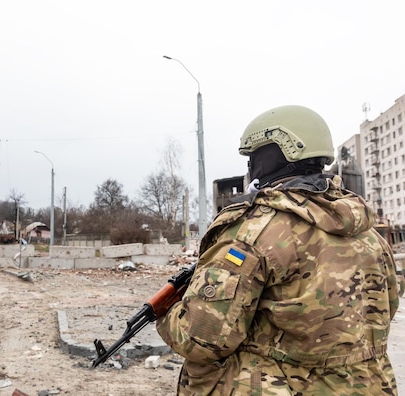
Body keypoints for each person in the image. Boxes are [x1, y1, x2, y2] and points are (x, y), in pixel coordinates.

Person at [156, 105, 400, 395]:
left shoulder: (253, 232)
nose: (250, 167)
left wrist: (168, 312)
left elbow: (201, 339)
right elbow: (386, 308)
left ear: (275, 155)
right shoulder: (368, 233)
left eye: (253, 157)